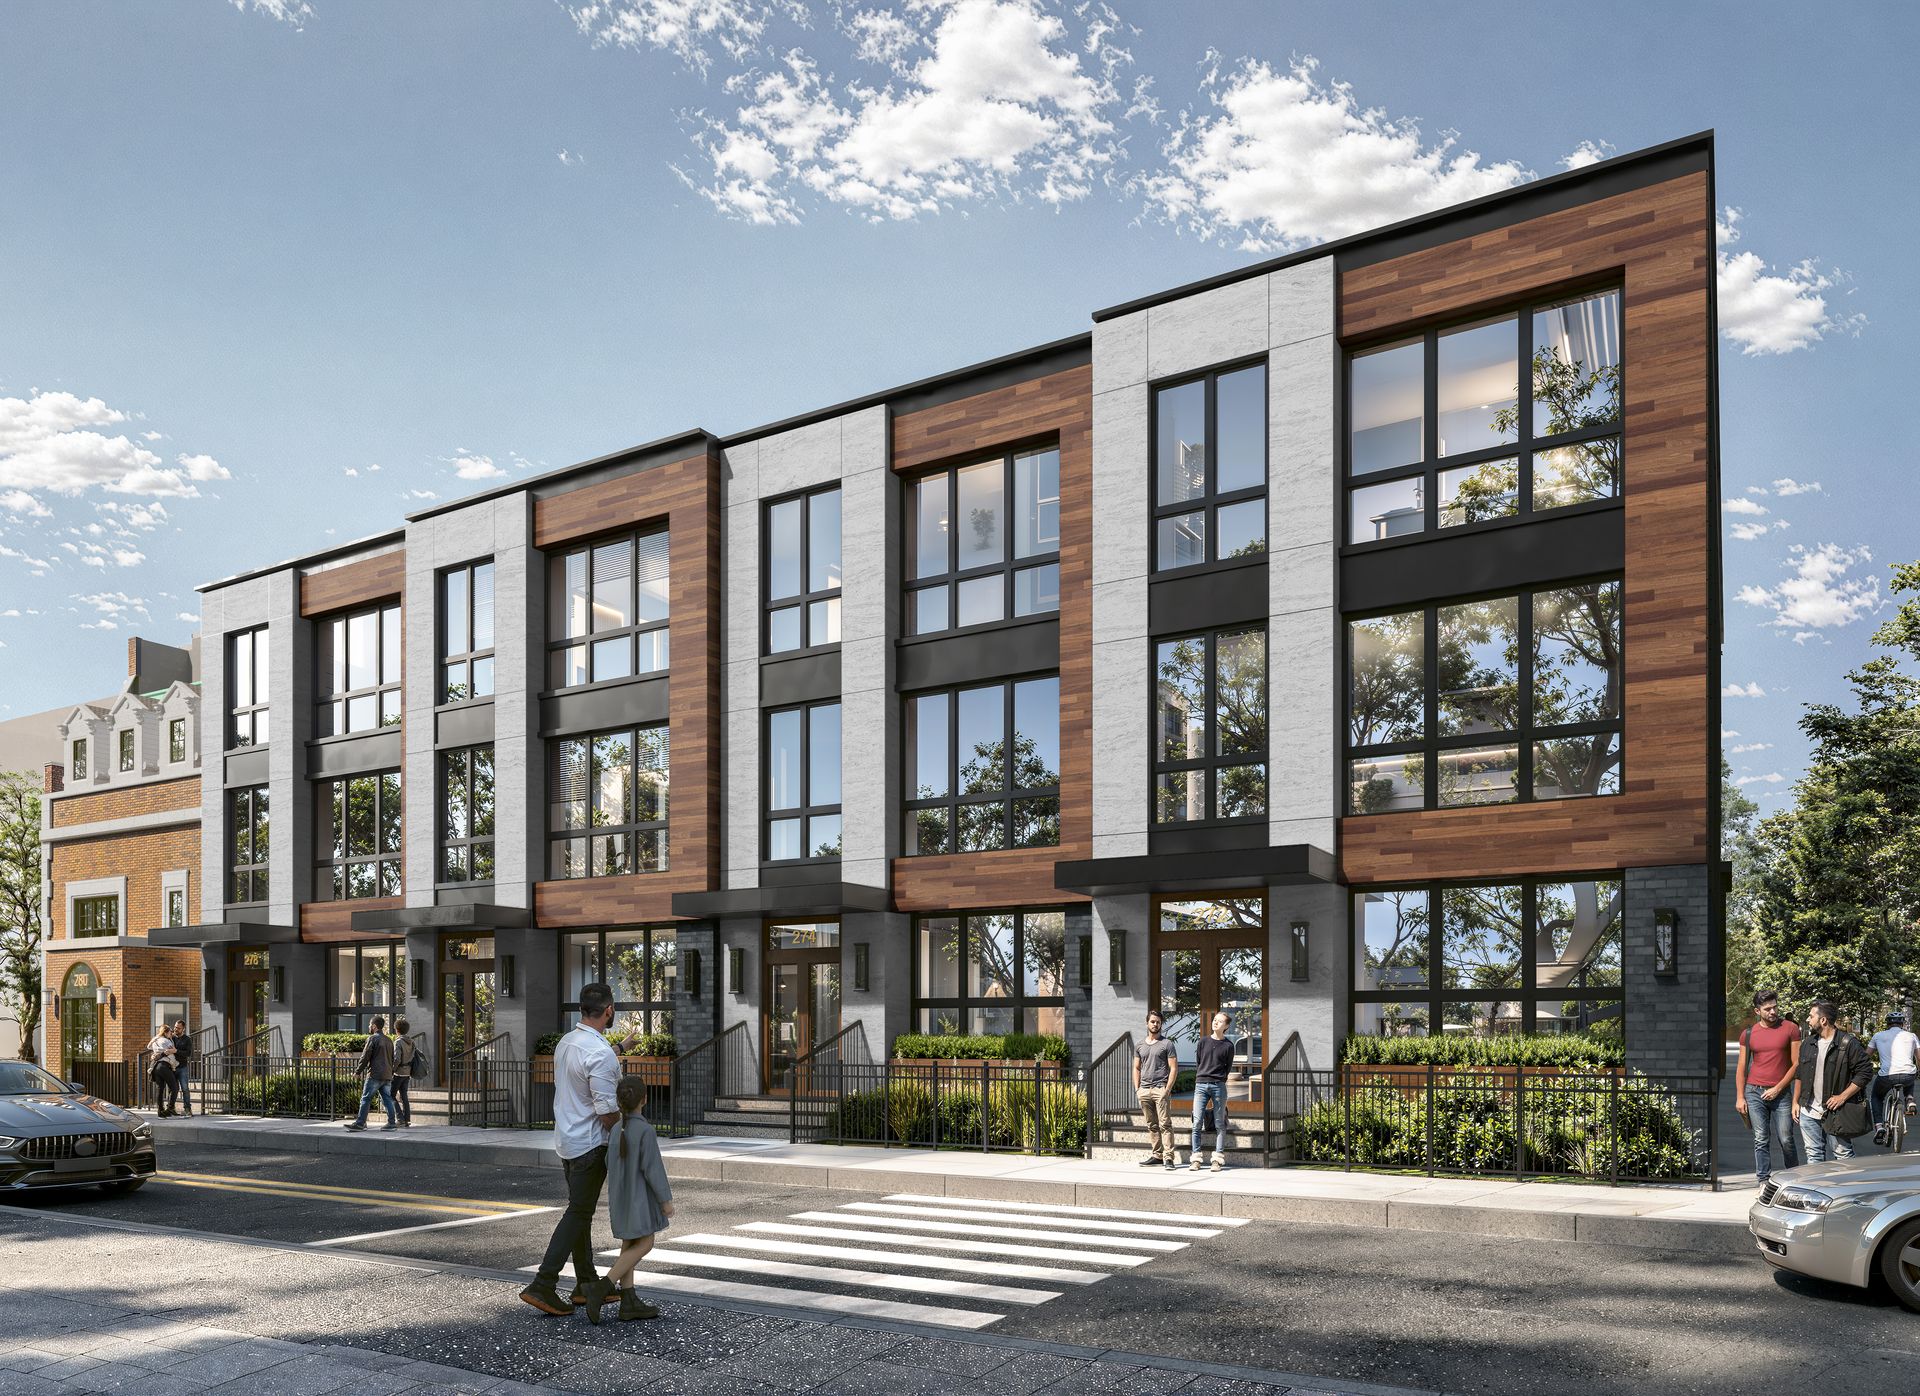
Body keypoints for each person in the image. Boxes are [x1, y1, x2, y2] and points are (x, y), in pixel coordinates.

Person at [521, 982, 621, 1317]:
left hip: (568, 1140)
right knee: (578, 1213)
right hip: (592, 1144)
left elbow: (579, 1082)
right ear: (608, 1010)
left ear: (582, 1009)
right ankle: (543, 1283)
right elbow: (606, 1110)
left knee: (580, 1212)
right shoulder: (599, 1052)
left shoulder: (567, 1043)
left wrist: (618, 1047)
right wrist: (629, 1137)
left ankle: (586, 1283)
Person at [580, 1076, 675, 1324]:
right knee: (646, 1243)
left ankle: (629, 1299)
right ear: (645, 1099)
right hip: (639, 1200)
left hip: (620, 1199)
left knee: (629, 1245)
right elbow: (653, 1169)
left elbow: (608, 1163)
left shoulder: (615, 1130)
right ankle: (603, 1287)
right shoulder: (644, 1130)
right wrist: (665, 1200)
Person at [1793, 1000, 1873, 1164]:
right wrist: (1796, 1102)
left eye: (1811, 1016)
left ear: (1823, 1020)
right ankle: (1818, 1189)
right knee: (1813, 1156)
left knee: (1843, 1155)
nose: (1808, 1020)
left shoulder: (1848, 1043)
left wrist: (1842, 1097)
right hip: (1808, 1110)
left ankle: (1847, 1189)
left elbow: (1865, 1072)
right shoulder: (1808, 1043)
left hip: (1835, 1111)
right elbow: (1800, 1074)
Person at [1734, 990, 1801, 1186]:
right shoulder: (1748, 1034)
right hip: (1754, 1091)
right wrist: (1740, 1096)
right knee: (1761, 1138)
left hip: (1781, 1094)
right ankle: (1763, 1180)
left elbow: (1797, 1064)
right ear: (1757, 1011)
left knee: (1786, 1138)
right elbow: (1741, 1066)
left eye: (1775, 1007)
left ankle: (1794, 1179)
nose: (1773, 1011)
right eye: (1767, 1008)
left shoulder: (1791, 1029)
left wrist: (1779, 1088)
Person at [1131, 1010, 1180, 1169]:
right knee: (1151, 1125)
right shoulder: (1139, 1045)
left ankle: (1169, 1158)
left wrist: (1167, 1089)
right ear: (1147, 1023)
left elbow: (1173, 1068)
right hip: (1144, 1090)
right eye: (1152, 1021)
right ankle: (1157, 1155)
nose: (1155, 1024)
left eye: (1158, 1022)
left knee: (1165, 1124)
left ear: (1161, 1024)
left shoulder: (1167, 1044)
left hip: (1160, 1089)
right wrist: (1137, 1089)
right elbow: (1136, 1068)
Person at [1189, 1011, 1234, 1173]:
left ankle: (1217, 1159)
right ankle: (1196, 1158)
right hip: (1201, 1085)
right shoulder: (1203, 1042)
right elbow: (1199, 1061)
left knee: (1220, 1123)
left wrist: (1219, 1079)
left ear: (1226, 1026)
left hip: (1218, 1086)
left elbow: (1227, 1067)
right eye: (1215, 1020)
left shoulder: (1228, 1046)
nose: (1215, 1023)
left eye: (1220, 1021)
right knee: (1196, 1122)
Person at [1868, 1010, 1920, 1145]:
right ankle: (1909, 1100)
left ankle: (1879, 1127)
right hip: (1907, 1075)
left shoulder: (1878, 1036)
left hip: (1886, 1075)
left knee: (1876, 1097)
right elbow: (1919, 1057)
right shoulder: (1912, 1036)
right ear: (1902, 1024)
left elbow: (1866, 1055)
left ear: (1887, 1024)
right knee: (1911, 1073)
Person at [343, 1015, 399, 1132]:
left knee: (366, 1098)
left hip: (375, 1074)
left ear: (374, 1026)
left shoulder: (372, 1039)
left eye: (370, 1025)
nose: (369, 1027)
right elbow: (393, 1059)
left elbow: (365, 1057)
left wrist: (358, 1071)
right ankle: (392, 1123)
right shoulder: (389, 1040)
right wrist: (391, 1072)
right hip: (387, 1075)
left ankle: (360, 1123)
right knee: (387, 1099)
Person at [145, 1028, 179, 1117]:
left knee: (160, 1089)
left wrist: (156, 1053)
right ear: (166, 1032)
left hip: (156, 1067)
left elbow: (148, 1047)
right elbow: (173, 1050)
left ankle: (160, 1111)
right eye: (170, 1032)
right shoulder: (166, 1041)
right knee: (174, 1087)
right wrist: (173, 1050)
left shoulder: (155, 1040)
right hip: (164, 1066)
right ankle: (170, 1108)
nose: (171, 1033)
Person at [390, 1017, 417, 1128]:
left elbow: (397, 1059)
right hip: (408, 1072)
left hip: (399, 1072)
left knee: (390, 1095)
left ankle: (400, 1119)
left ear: (397, 1029)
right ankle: (407, 1120)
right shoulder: (411, 1042)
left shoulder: (398, 1042)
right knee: (404, 1096)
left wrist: (392, 1070)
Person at [168, 1019, 194, 1116]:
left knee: (185, 1089)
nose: (176, 1029)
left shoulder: (187, 1039)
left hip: (182, 1067)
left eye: (178, 1028)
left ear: (183, 1029)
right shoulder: (171, 1038)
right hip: (172, 1067)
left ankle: (187, 1109)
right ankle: (171, 1108)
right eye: (175, 1027)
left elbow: (188, 1053)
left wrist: (176, 1051)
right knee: (172, 1089)